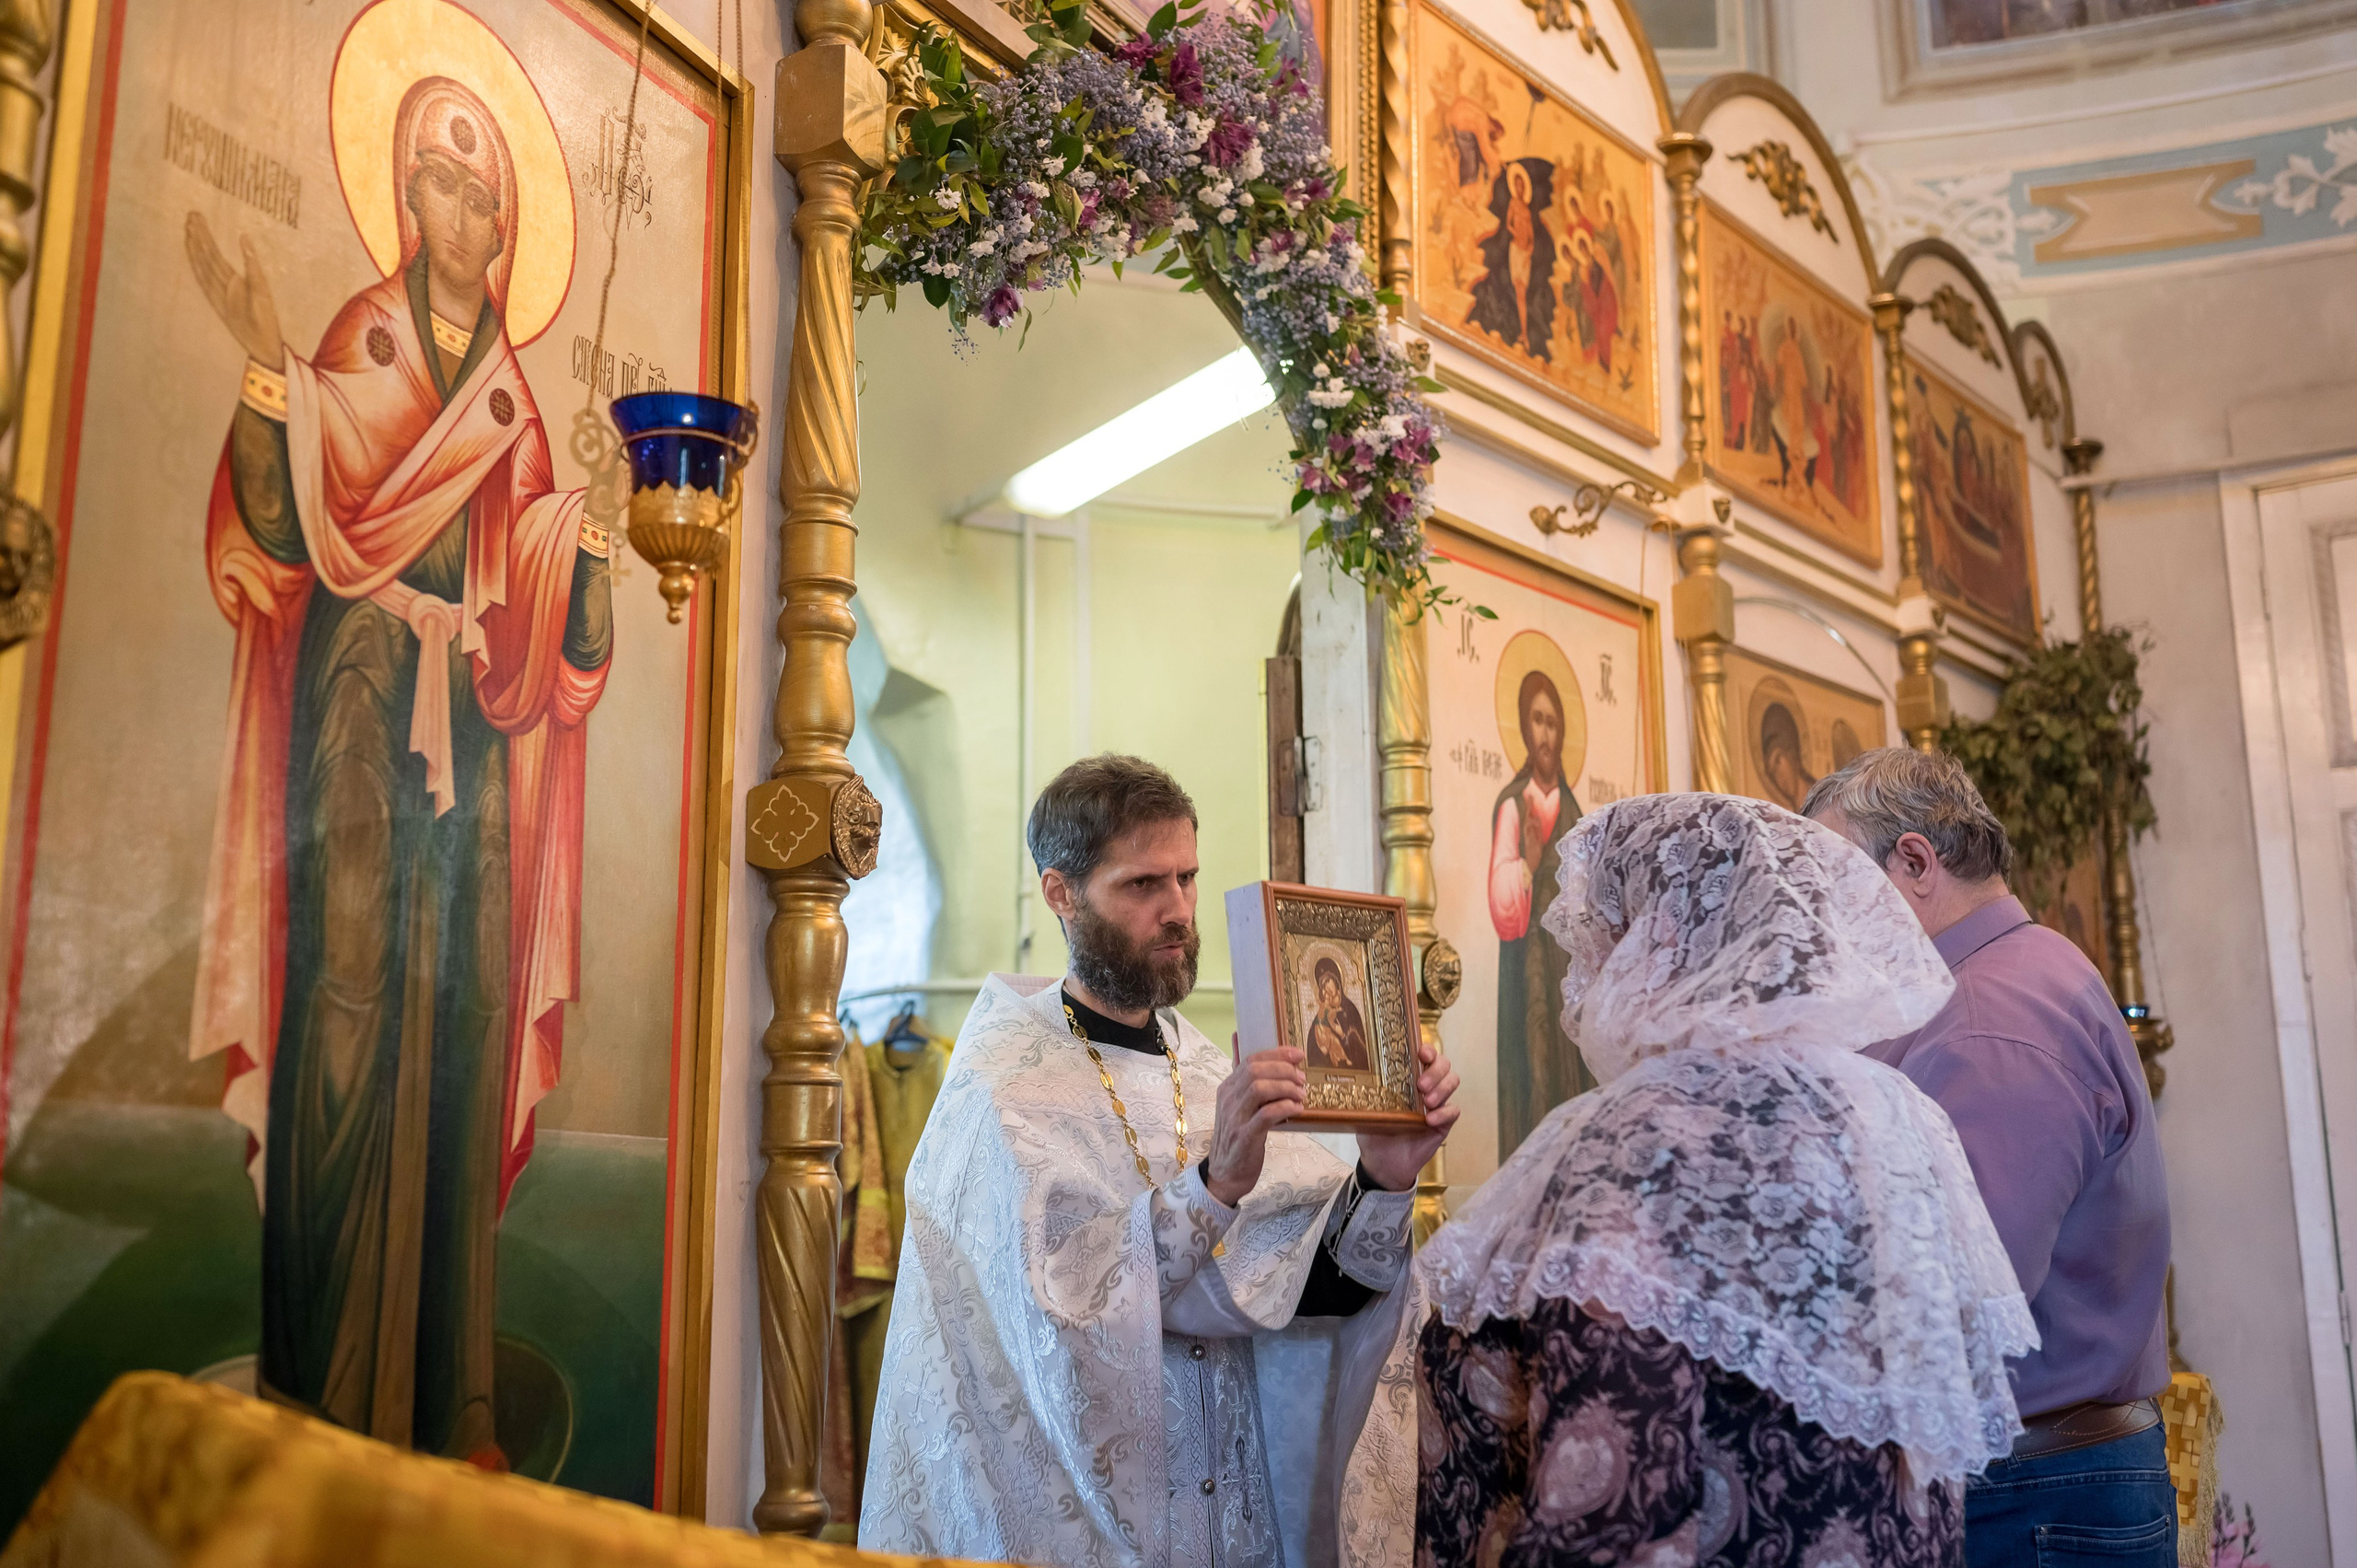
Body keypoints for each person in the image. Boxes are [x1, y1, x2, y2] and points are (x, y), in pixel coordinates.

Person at [183, 75, 610, 1464]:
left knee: (469, 1016)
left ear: (505, 229)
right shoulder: (358, 340)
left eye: (485, 198)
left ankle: (447, 1400)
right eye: (439, 183)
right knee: (353, 996)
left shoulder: (514, 398)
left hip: (475, 740)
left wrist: (587, 537)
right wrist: (266, 374)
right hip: (361, 703)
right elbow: (280, 516)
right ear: (405, 198)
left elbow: (551, 605)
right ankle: (328, 1380)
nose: (462, 214)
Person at [861, 755, 1461, 1568]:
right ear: (1061, 892)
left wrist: (1385, 1174)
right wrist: (1216, 1187)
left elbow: (1311, 1295)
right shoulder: (1001, 1094)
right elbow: (1064, 1322)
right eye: (1144, 884)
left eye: (1186, 877)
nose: (1179, 909)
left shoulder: (1216, 1072)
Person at [1418, 794, 2034, 1567]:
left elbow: (1611, 1491)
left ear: (1662, 941)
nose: (1587, 978)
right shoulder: (1901, 1118)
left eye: (1603, 944)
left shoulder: (1636, 1140)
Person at [1805, 749, 2176, 1568]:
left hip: (2034, 1495)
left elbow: (1956, 1298)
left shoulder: (1983, 1017)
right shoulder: (2020, 965)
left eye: (1837, 886)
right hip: (2055, 1481)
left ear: (1914, 861)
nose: (1827, 920)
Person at [1488, 668, 1584, 1156]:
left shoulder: (1572, 807)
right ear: (1525, 730)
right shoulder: (1512, 804)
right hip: (1528, 969)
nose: (1545, 733)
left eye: (1552, 722)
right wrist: (1525, 861)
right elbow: (1501, 903)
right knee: (1536, 1072)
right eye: (1536, 721)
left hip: (1568, 972)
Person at [1307, 956, 1372, 1071]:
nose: (1326, 987)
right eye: (1322, 985)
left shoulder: (1351, 1011)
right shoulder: (1322, 1015)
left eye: (1328, 981)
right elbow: (1313, 1055)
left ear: (1336, 979)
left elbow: (1364, 1052)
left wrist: (1342, 1035)